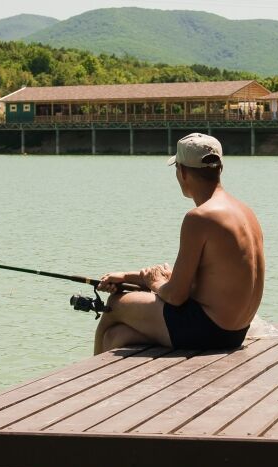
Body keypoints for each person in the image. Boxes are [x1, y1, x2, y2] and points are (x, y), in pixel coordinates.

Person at [94, 133, 265, 354]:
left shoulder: (200, 217)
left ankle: (83, 382)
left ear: (182, 172)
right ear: (219, 168)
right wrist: (129, 277)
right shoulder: (245, 211)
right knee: (117, 337)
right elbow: (213, 277)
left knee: (115, 304)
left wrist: (155, 283)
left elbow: (176, 296)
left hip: (209, 330)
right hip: (235, 332)